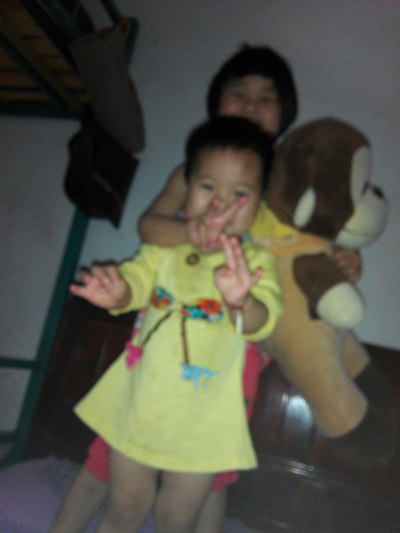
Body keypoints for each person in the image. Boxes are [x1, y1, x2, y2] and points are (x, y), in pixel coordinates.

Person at [50, 44, 362, 533]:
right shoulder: (190, 173)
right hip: (165, 323)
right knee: (116, 450)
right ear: (217, 103)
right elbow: (150, 228)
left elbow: (308, 247)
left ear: (284, 114)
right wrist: (188, 234)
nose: (252, 105)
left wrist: (339, 259)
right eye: (239, 94)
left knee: (208, 471)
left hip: (237, 339)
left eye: (266, 98)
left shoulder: (285, 185)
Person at [65, 116, 283, 533]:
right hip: (143, 403)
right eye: (208, 186)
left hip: (205, 420)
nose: (220, 203)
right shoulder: (166, 248)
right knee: (125, 506)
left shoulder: (254, 262)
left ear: (260, 203)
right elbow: (136, 279)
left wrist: (241, 301)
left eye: (239, 194)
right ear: (187, 187)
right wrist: (117, 291)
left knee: (177, 518)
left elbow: (263, 321)